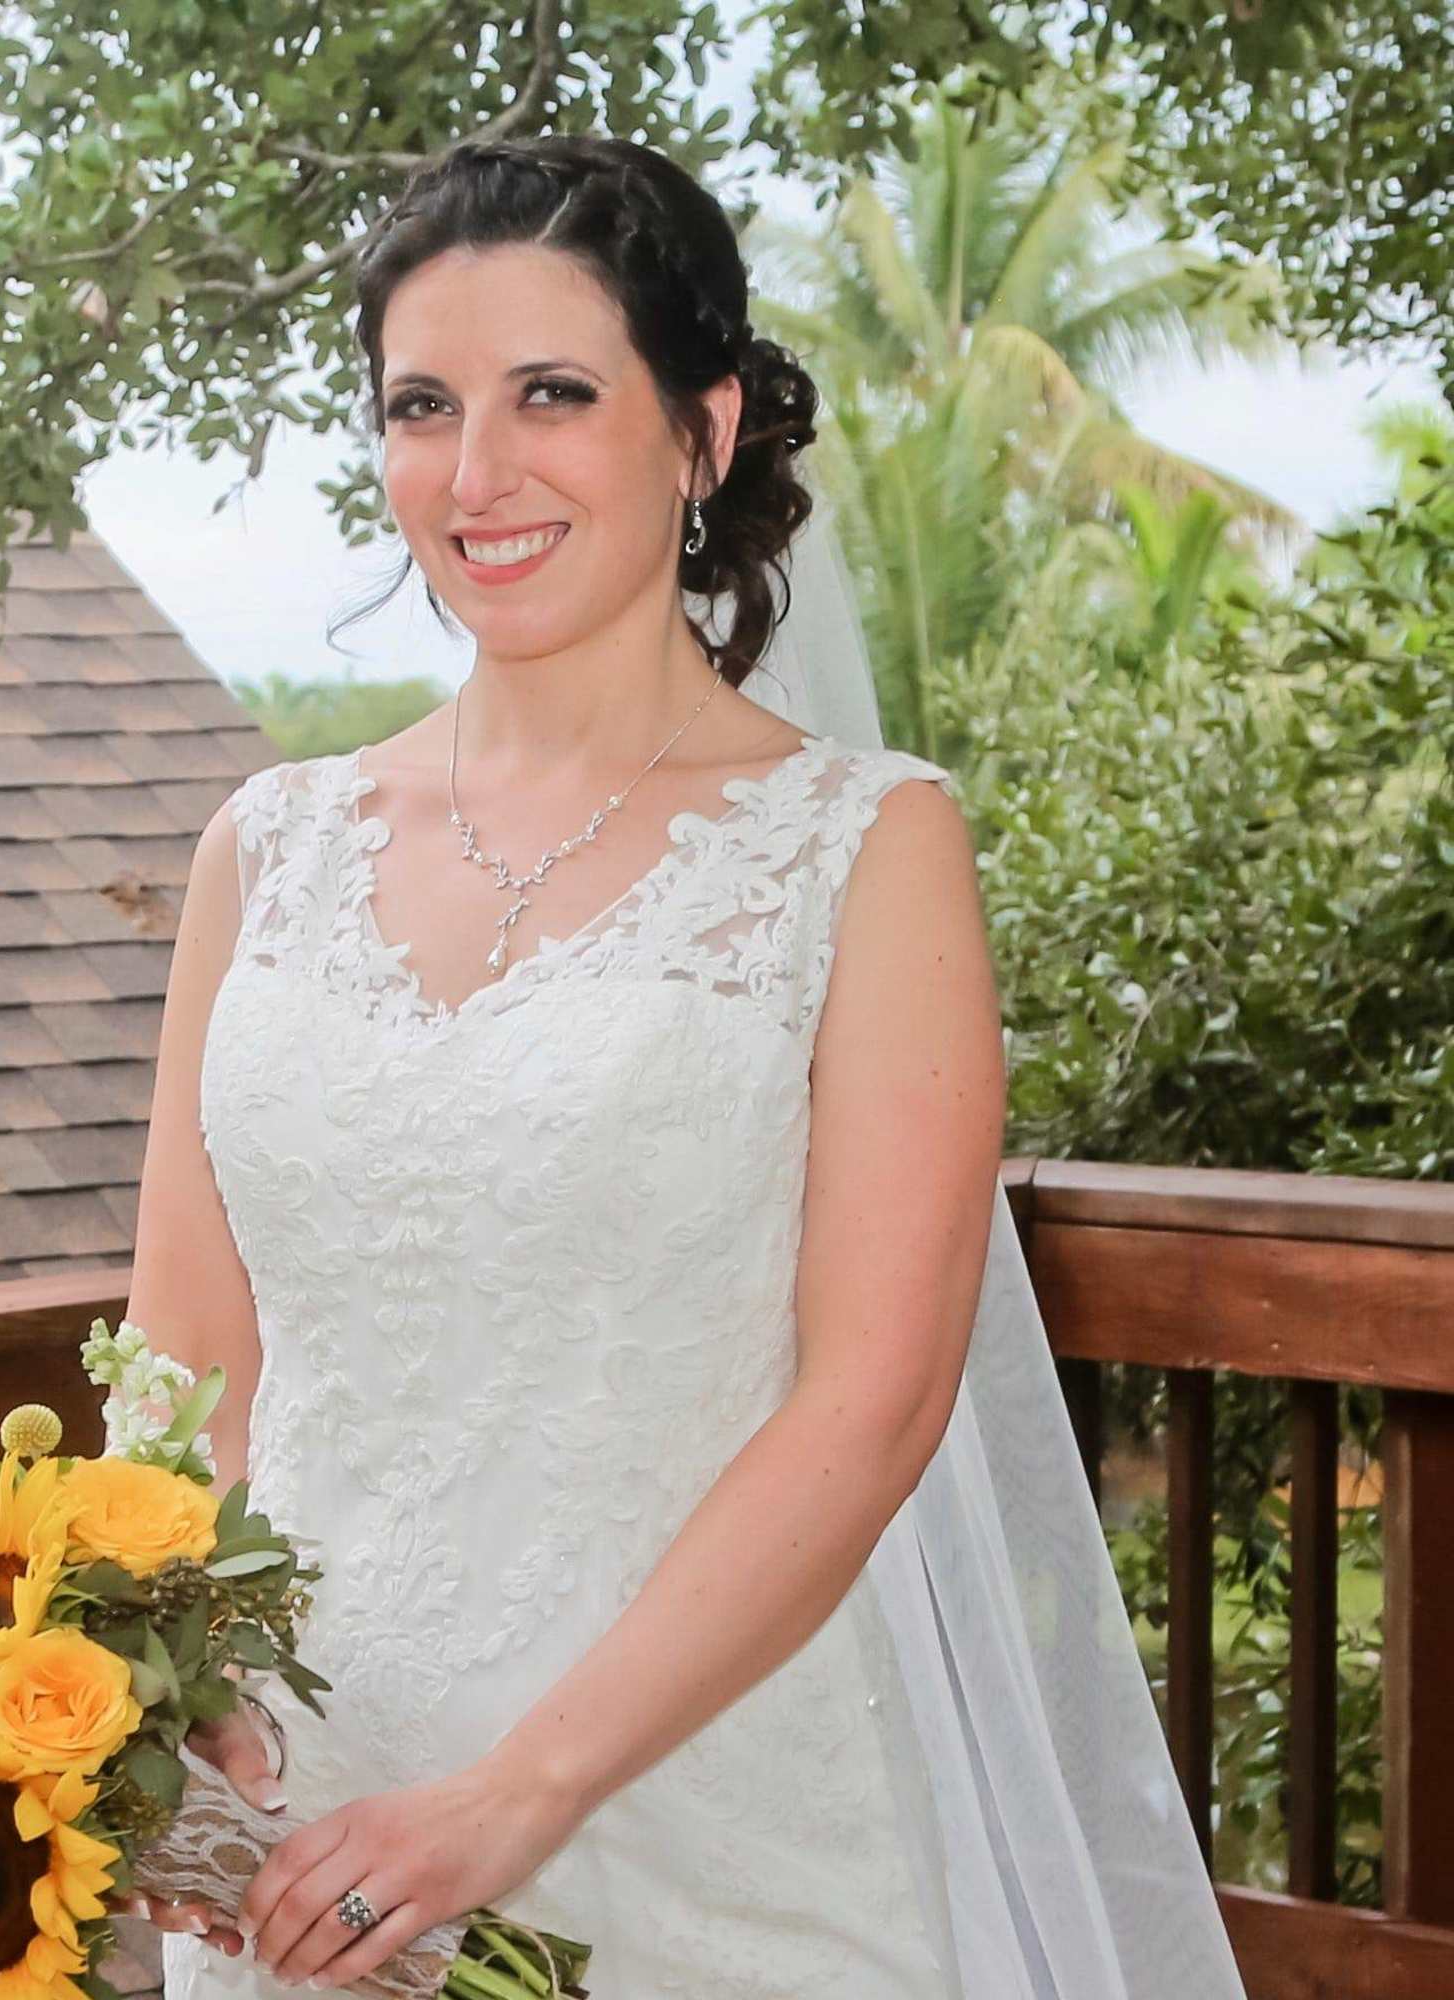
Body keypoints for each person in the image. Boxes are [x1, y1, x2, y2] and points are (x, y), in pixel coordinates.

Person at [119, 133, 1251, 1998]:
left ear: (700, 433)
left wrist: (517, 1797)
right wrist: (177, 1699)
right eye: (422, 406)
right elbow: (183, 1363)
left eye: (551, 394)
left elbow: (873, 1401)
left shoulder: (863, 846)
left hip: (698, 1808)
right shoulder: (268, 844)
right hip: (306, 1846)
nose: (475, 473)